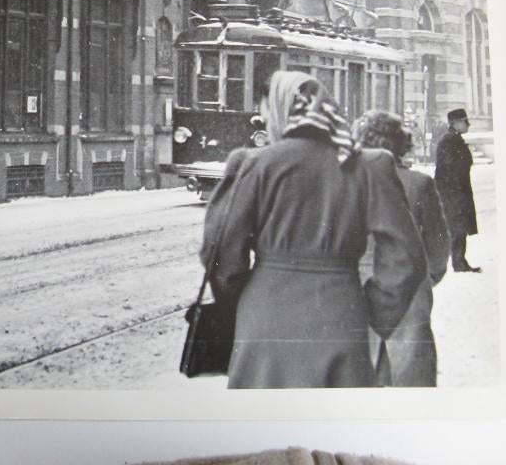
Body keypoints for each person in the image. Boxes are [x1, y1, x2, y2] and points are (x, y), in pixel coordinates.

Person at [200, 71, 426, 388]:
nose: (266, 123)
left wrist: (239, 300)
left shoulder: (251, 164)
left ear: (280, 110)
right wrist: (378, 310)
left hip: (264, 315)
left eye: (266, 115)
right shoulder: (369, 166)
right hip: (340, 312)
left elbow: (219, 250)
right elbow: (406, 255)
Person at [354, 110, 450, 386]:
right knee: (411, 374)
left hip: (356, 287)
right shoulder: (419, 183)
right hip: (410, 287)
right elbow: (438, 243)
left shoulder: (346, 180)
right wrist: (427, 277)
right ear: (400, 143)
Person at [435, 108, 481, 272]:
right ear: (455, 123)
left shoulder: (454, 139)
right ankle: (458, 262)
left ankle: (459, 261)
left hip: (457, 191)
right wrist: (455, 193)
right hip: (453, 193)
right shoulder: (449, 141)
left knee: (459, 227)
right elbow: (449, 167)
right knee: (457, 227)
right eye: (464, 121)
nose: (468, 124)